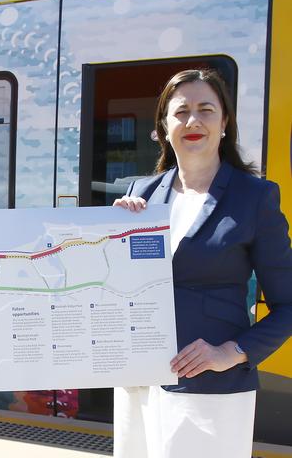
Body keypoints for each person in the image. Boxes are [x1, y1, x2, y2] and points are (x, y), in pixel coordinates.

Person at [112, 69, 292, 458]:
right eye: (181, 112)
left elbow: (289, 305)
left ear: (224, 123)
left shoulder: (254, 197)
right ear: (162, 126)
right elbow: (108, 286)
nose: (193, 121)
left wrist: (234, 351)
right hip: (137, 383)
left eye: (206, 110)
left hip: (209, 385)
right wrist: (108, 236)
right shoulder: (139, 194)